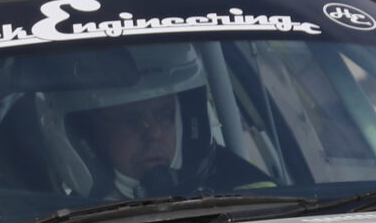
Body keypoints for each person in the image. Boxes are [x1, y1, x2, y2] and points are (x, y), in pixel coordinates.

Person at [54, 46, 272, 200]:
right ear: (88, 137)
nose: (154, 134)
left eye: (163, 115)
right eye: (130, 121)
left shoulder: (256, 197)